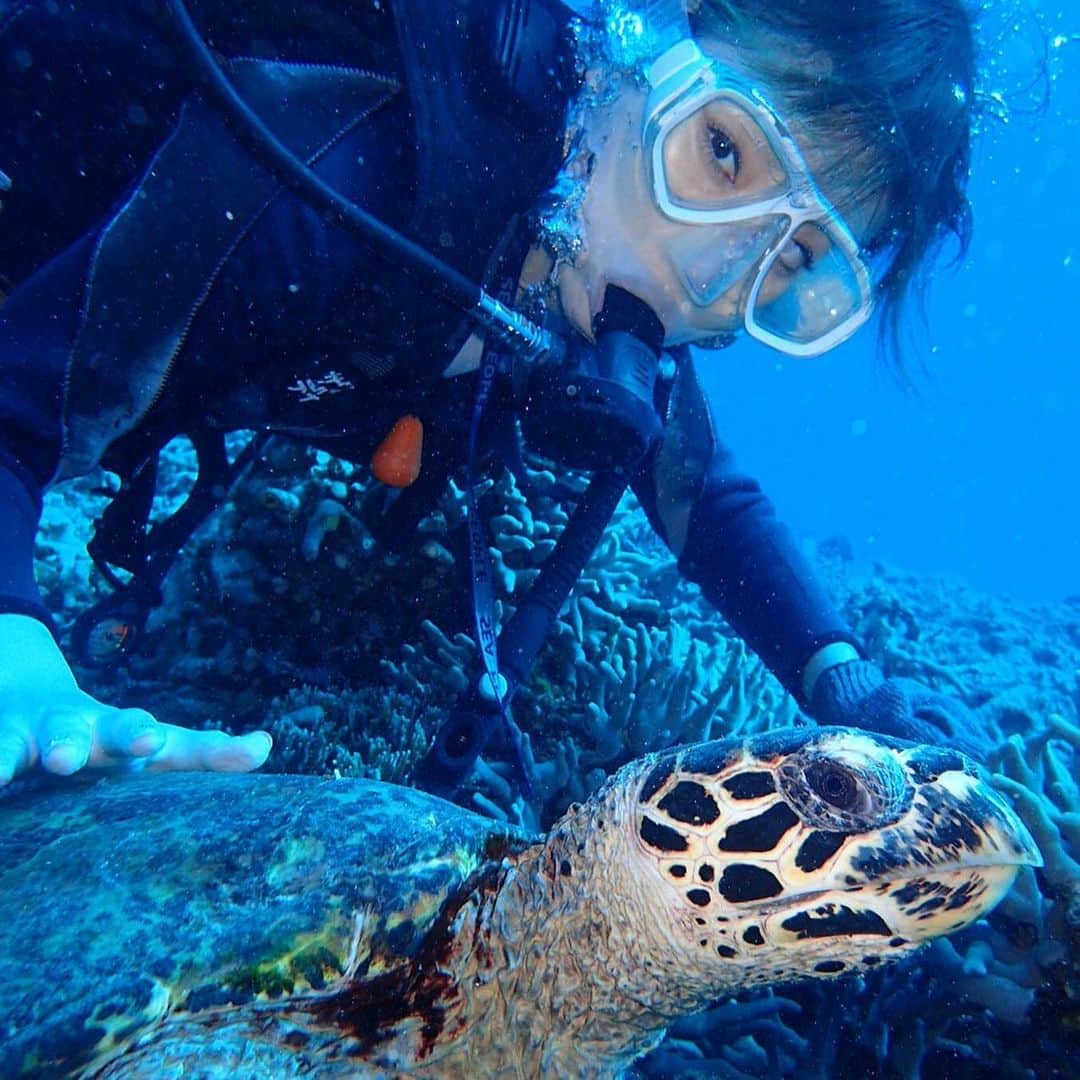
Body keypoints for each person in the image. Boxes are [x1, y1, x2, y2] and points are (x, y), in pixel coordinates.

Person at [0, 0, 981, 792]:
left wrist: (841, 677)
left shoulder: (576, 263)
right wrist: (16, 652)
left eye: (791, 259)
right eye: (722, 153)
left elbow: (703, 490)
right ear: (638, 49)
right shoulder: (358, 173)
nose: (708, 278)